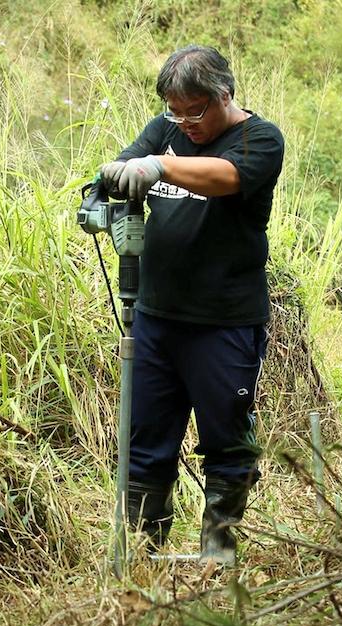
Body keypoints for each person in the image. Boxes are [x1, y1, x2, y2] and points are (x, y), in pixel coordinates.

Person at [99, 45, 284, 565]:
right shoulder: (166, 130)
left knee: (226, 438)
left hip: (223, 321)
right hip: (155, 317)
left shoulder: (259, 139)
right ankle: (142, 553)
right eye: (174, 111)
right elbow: (127, 161)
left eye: (195, 110)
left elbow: (226, 178)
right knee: (145, 440)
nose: (184, 122)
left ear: (225, 94)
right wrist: (114, 176)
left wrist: (158, 166)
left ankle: (216, 554)